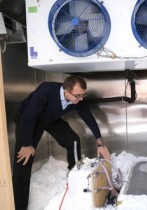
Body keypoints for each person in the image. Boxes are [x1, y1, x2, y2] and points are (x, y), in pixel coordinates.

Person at [12, 75, 110, 210]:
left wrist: (100, 143)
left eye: (83, 95)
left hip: (50, 118)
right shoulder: (45, 91)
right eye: (78, 95)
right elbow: (28, 117)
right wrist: (27, 145)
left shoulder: (78, 99)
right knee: (24, 161)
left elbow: (89, 118)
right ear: (66, 92)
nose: (82, 98)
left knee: (73, 141)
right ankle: (19, 206)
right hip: (28, 120)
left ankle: (73, 179)